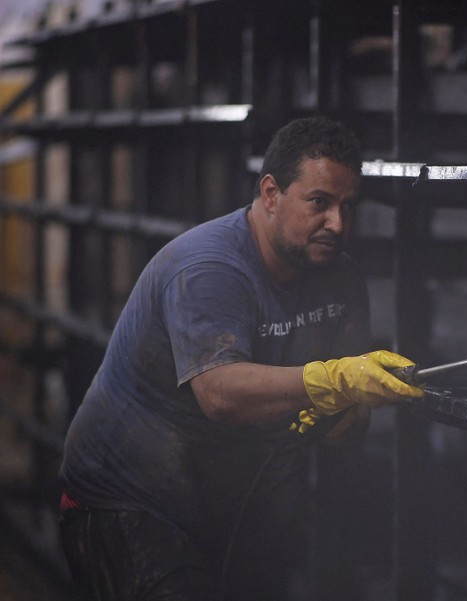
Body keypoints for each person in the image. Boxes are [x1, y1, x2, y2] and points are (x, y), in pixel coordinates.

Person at [58, 116, 423, 601]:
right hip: (128, 502)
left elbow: (343, 430)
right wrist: (329, 381)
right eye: (319, 202)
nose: (337, 224)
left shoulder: (340, 279)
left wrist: (342, 411)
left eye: (348, 206)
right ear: (271, 194)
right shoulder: (209, 268)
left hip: (238, 506)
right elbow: (220, 394)